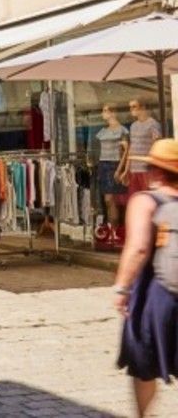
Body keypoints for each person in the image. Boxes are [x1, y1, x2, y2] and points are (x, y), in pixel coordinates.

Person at [115, 138, 178, 417]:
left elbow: (138, 248)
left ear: (155, 170)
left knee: (144, 362)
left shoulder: (146, 200)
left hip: (159, 295)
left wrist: (122, 288)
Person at [96, 103, 130, 247]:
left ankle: (117, 230)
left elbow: (127, 151)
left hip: (115, 164)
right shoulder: (102, 131)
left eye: (105, 111)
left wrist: (120, 169)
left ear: (112, 112)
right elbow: (98, 149)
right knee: (107, 200)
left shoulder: (122, 131)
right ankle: (112, 230)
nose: (103, 114)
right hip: (103, 164)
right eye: (103, 111)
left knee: (114, 199)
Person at [121, 99, 163, 198]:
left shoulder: (153, 124)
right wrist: (126, 170)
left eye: (134, 106)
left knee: (149, 198)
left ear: (143, 107)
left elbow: (157, 144)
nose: (131, 109)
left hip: (146, 169)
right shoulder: (133, 126)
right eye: (130, 107)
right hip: (134, 170)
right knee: (135, 198)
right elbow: (132, 148)